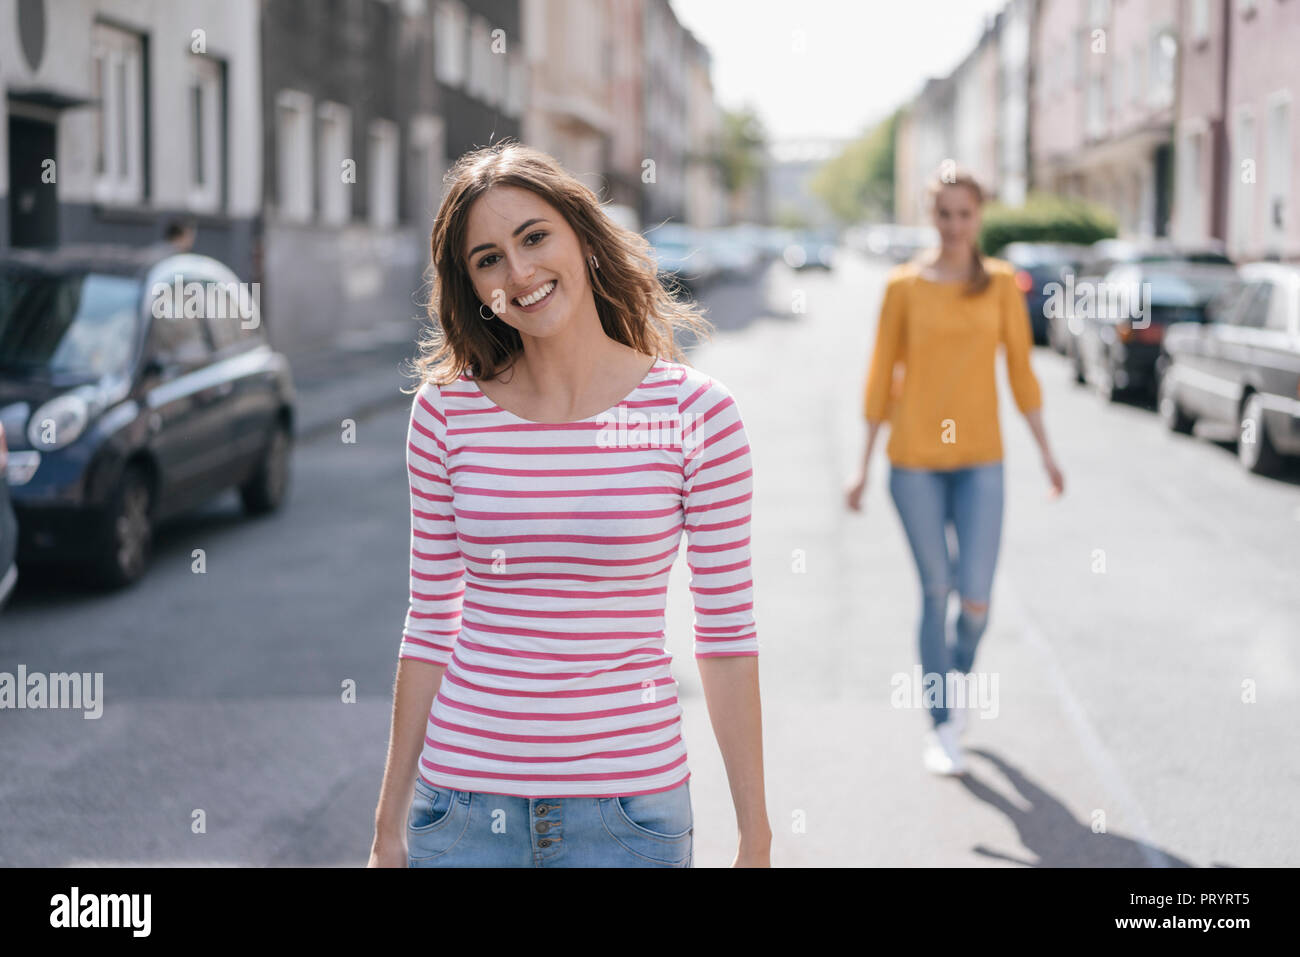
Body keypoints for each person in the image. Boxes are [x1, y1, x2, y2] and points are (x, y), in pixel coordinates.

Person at [367, 140, 771, 868]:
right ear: (472, 285)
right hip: (461, 807)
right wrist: (386, 827)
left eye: (533, 236)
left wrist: (756, 834)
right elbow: (429, 620)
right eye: (488, 258)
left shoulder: (695, 413)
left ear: (582, 237)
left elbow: (725, 635)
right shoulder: (444, 415)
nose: (519, 272)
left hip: (628, 812)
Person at [844, 165, 1065, 777]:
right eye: (943, 213)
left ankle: (956, 680)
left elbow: (1022, 372)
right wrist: (860, 467)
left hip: (980, 462)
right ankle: (941, 724)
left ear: (979, 217)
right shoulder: (903, 286)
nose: (954, 225)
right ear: (931, 215)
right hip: (913, 462)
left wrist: (1046, 452)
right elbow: (880, 376)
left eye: (965, 214)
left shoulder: (998, 286)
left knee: (974, 601)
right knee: (934, 590)